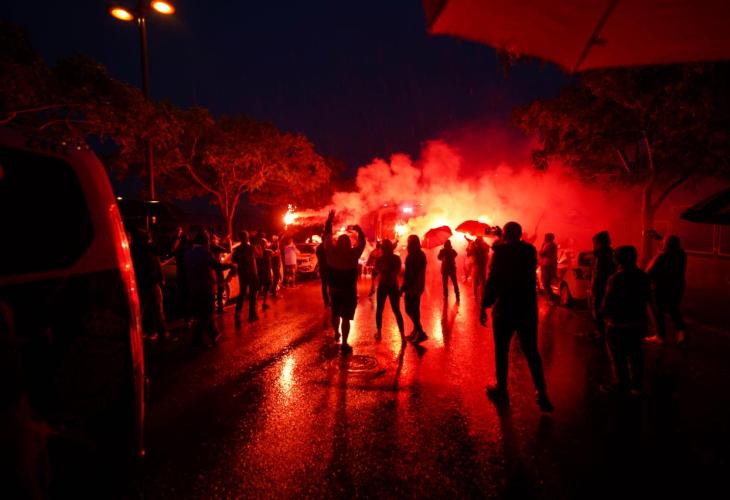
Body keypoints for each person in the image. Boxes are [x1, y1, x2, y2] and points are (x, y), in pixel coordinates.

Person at [480, 222, 553, 412]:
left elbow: (494, 279)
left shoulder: (501, 252)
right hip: (527, 307)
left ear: (505, 235)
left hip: (505, 307)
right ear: (520, 234)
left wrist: (484, 304)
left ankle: (502, 389)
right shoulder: (529, 251)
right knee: (531, 350)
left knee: (502, 350)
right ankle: (541, 391)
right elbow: (516, 251)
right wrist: (502, 239)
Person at [600, 245, 651, 394]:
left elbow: (608, 301)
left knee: (618, 357)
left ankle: (622, 384)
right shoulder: (643, 276)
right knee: (636, 355)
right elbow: (647, 298)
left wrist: (603, 314)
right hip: (637, 323)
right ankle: (637, 386)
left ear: (617, 260)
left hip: (618, 324)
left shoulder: (616, 279)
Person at [324, 210, 366, 354]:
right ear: (349, 244)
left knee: (335, 314)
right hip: (349, 292)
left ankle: (337, 332)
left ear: (337, 243)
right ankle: (345, 343)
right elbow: (362, 243)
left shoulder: (331, 253)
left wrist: (329, 222)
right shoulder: (353, 254)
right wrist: (359, 231)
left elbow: (327, 238)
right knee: (346, 318)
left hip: (335, 290)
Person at [185, 231, 231, 346]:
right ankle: (197, 340)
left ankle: (213, 334)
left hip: (193, 288)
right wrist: (230, 265)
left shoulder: (189, 253)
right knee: (207, 313)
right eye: (209, 240)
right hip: (205, 288)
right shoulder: (204, 252)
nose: (210, 243)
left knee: (203, 313)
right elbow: (217, 266)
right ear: (205, 241)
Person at [646, 235, 688, 344]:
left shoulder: (661, 257)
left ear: (666, 244)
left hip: (660, 288)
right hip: (676, 287)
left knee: (657, 311)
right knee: (672, 308)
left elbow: (648, 273)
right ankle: (681, 330)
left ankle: (660, 336)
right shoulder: (681, 255)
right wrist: (660, 238)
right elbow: (672, 246)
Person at [131, 229, 169, 341]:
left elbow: (157, 263)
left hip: (144, 283)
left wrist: (161, 278)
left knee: (145, 310)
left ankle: (150, 332)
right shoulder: (147, 249)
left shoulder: (136, 249)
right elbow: (159, 257)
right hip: (150, 283)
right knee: (155, 309)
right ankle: (159, 332)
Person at [374, 239, 405, 340]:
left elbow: (376, 269)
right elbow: (398, 270)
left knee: (379, 309)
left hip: (383, 285)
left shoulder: (380, 259)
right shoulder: (396, 258)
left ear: (383, 248)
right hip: (393, 285)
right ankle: (402, 335)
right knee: (396, 310)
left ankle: (379, 332)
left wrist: (384, 271)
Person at [402, 235, 427, 343]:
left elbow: (409, 274)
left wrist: (404, 287)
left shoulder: (411, 256)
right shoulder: (421, 254)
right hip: (419, 285)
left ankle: (420, 332)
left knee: (409, 309)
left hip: (412, 286)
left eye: (409, 242)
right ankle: (416, 331)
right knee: (415, 309)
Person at [591, 231, 615, 339]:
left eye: (595, 242)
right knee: (607, 309)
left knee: (598, 309)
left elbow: (598, 273)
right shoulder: (612, 253)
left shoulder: (599, 255)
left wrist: (593, 287)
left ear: (599, 243)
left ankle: (601, 332)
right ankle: (604, 331)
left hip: (601, 286)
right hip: (610, 286)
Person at [232, 230, 259, 322]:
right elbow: (260, 254)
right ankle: (252, 315)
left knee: (242, 293)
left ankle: (237, 312)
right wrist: (255, 242)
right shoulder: (251, 248)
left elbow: (234, 260)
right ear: (247, 238)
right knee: (252, 295)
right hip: (252, 273)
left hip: (242, 274)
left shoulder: (237, 249)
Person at [171, 227, 190, 323]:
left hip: (182, 276)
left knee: (184, 297)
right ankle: (188, 318)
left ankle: (186, 319)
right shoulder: (188, 250)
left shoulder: (180, 251)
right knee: (188, 297)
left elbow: (173, 249)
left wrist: (177, 236)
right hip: (188, 276)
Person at [209, 234, 228, 314]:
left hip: (212, 269)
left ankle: (215, 308)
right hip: (218, 269)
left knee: (214, 289)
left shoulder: (209, 248)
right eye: (216, 239)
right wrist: (228, 242)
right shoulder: (216, 247)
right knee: (220, 288)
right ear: (213, 240)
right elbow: (228, 250)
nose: (217, 241)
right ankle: (220, 308)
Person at [539, 233, 558, 300]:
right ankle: (551, 298)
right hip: (550, 265)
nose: (544, 238)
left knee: (545, 283)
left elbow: (542, 254)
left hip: (546, 265)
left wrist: (542, 246)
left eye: (545, 237)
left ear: (548, 238)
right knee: (548, 283)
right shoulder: (553, 245)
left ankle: (551, 299)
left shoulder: (548, 245)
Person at [257, 238, 273, 311]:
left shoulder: (257, 252)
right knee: (266, 289)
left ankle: (257, 303)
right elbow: (276, 253)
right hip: (266, 273)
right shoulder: (268, 252)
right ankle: (264, 303)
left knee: (259, 289)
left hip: (260, 273)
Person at [316, 238, 330, 307]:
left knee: (324, 285)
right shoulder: (328, 247)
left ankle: (326, 301)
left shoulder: (319, 248)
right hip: (329, 268)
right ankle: (330, 300)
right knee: (330, 285)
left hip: (322, 268)